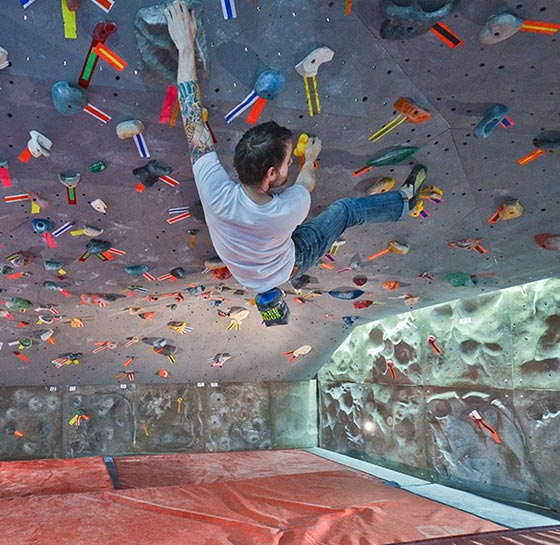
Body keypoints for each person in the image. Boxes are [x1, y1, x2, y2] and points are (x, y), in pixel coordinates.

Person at [164, 0, 428, 326]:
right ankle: (404, 201)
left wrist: (184, 46)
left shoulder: (217, 190)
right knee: (346, 211)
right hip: (288, 262)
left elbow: (191, 118)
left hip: (253, 271)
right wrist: (310, 158)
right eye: (289, 161)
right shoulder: (283, 208)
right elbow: (306, 182)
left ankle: (270, 299)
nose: (292, 162)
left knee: (280, 259)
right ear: (271, 173)